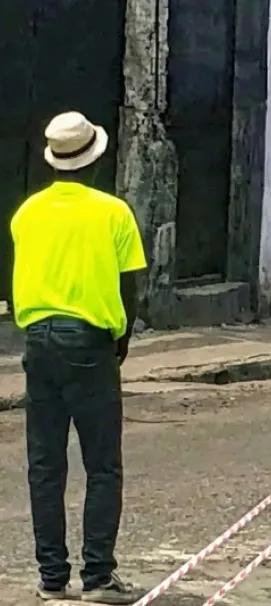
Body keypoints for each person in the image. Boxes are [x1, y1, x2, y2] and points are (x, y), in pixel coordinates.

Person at [11, 111, 148, 604]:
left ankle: (52, 578)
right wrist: (122, 339)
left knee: (46, 465)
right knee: (102, 465)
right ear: (95, 158)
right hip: (89, 342)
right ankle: (97, 576)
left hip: (38, 341)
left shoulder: (26, 213)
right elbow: (128, 287)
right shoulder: (113, 212)